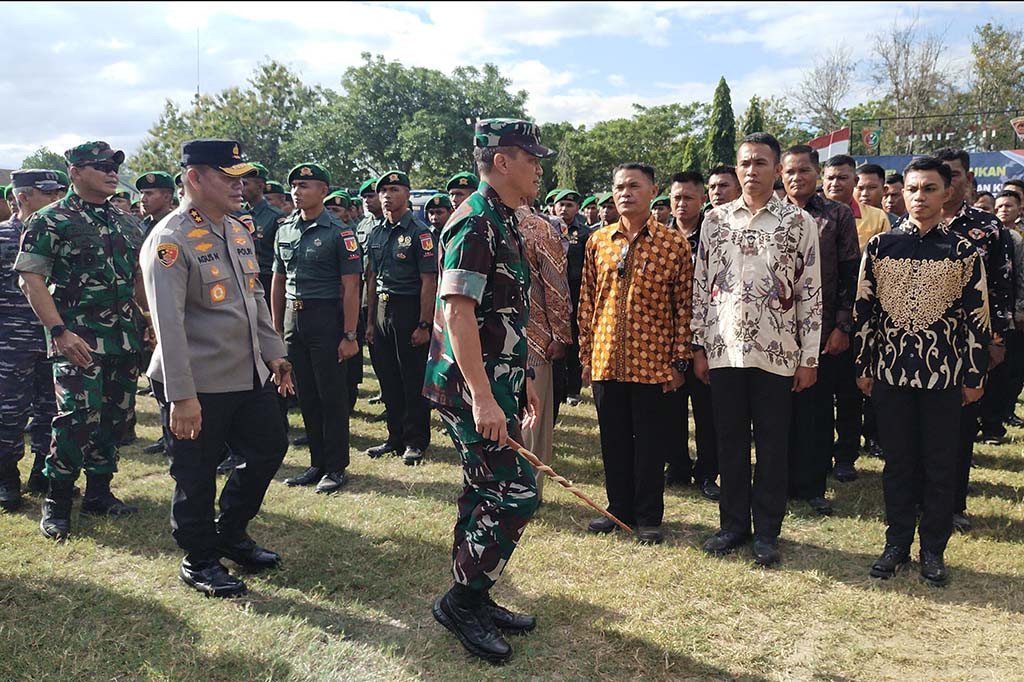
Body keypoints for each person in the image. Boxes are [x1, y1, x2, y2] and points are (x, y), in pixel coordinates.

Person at [142, 139, 294, 598]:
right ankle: (199, 559)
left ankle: (230, 531)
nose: (239, 185)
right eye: (228, 177)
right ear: (195, 178)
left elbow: (253, 301)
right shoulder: (170, 240)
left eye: (241, 176)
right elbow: (168, 325)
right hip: (195, 379)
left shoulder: (236, 229)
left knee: (269, 447)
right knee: (196, 471)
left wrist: (275, 353)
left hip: (246, 372)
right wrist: (182, 397)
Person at [423, 118, 550, 665]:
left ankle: (474, 592)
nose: (539, 168)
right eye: (531, 158)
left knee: (487, 491)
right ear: (502, 160)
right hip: (466, 389)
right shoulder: (474, 222)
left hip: (492, 383)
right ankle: (463, 600)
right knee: (516, 492)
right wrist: (482, 395)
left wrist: (515, 384)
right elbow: (459, 313)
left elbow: (503, 317)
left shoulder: (504, 218)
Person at [855, 156, 990, 587]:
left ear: (946, 192)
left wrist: (974, 375)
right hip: (890, 375)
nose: (919, 197)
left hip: (944, 378)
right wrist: (863, 364)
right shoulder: (880, 247)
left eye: (929, 189)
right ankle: (896, 544)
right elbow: (865, 312)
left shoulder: (964, 251)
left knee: (939, 466)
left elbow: (978, 319)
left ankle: (933, 548)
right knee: (897, 464)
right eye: (913, 189)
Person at [692, 133, 822, 567]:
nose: (752, 171)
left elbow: (810, 292)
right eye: (745, 163)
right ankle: (732, 525)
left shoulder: (797, 222)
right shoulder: (714, 221)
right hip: (725, 350)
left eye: (761, 163)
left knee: (772, 445)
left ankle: (767, 531)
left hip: (779, 351)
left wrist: (809, 357)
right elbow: (700, 287)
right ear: (736, 166)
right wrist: (698, 344)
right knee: (728, 441)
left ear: (776, 168)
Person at [14, 141, 146, 540]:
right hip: (77, 340)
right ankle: (57, 501)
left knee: (114, 417)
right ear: (75, 172)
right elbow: (30, 279)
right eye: (101, 166)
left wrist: (150, 322)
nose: (111, 172)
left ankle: (99, 493)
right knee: (75, 420)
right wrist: (58, 331)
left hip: (123, 339)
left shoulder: (126, 222)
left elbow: (138, 279)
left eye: (113, 166)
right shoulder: (51, 219)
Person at [578, 162, 693, 546]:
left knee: (649, 442)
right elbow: (586, 303)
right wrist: (585, 356)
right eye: (619, 187)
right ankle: (617, 510)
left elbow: (684, 308)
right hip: (607, 359)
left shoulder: (673, 244)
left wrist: (679, 361)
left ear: (652, 190)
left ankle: (648, 517)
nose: (625, 193)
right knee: (613, 440)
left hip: (653, 363)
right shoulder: (599, 242)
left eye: (634, 186)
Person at [931, 147, 1013, 533]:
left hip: (968, 347)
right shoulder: (906, 227)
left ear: (965, 178)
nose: (947, 182)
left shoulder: (988, 228)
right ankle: (919, 501)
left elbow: (1001, 289)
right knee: (918, 430)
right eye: (940, 174)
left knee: (960, 428)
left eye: (954, 174)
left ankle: (952, 505)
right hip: (918, 349)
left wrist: (995, 341)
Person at [270, 163, 362, 494]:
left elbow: (351, 286)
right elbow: (278, 281)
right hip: (295, 321)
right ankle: (317, 462)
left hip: (327, 318)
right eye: (294, 185)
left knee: (331, 396)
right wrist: (276, 329)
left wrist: (350, 335)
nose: (297, 191)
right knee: (306, 393)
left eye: (305, 185)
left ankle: (336, 467)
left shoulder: (339, 232)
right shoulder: (285, 230)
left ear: (323, 191)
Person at [781, 145, 860, 516]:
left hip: (821, 330)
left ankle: (812, 485)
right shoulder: (772, 214)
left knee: (815, 411)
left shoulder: (837, 215)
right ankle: (777, 481)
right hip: (775, 330)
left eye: (804, 171)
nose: (797, 178)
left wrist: (843, 325)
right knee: (778, 412)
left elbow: (849, 273)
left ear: (817, 174)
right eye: (790, 172)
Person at [823, 154, 890, 478]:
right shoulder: (810, 216)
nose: (836, 183)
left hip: (858, 320)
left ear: (855, 183)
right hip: (818, 322)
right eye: (831, 177)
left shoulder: (876, 219)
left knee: (849, 393)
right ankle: (819, 454)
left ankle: (846, 455)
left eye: (843, 178)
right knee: (818, 395)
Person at [0, 170, 63, 511]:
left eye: (57, 193)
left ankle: (42, 470)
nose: (56, 199)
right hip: (11, 341)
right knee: (9, 410)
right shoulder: (3, 238)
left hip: (53, 340)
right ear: (23, 197)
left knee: (51, 410)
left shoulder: (59, 235)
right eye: (47, 194)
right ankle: (7, 476)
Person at [365, 170, 437, 465]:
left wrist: (424, 323)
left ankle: (415, 440)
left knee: (411, 378)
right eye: (383, 190)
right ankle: (394, 437)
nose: (387, 195)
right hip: (382, 309)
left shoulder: (420, 233)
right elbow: (371, 279)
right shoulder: (376, 232)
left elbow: (429, 281)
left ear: (407, 195)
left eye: (394, 189)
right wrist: (370, 322)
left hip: (409, 309)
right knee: (388, 377)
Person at [664, 171, 719, 500]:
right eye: (676, 198)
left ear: (702, 200)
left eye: (688, 197)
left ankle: (708, 471)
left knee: (707, 411)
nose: (681, 204)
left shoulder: (715, 237)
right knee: (670, 409)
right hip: (667, 340)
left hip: (706, 340)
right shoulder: (660, 238)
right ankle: (677, 465)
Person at [519, 196, 571, 502]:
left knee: (531, 419)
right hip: (514, 342)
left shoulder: (539, 229)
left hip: (534, 339)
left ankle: (526, 490)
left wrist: (559, 335)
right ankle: (520, 489)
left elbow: (555, 286)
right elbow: (557, 287)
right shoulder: (481, 220)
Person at [555, 189, 590, 409]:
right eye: (561, 204)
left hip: (577, 295)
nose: (564, 209)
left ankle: (573, 389)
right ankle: (558, 388)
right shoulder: (547, 229)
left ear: (577, 208)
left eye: (569, 205)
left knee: (575, 343)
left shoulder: (585, 234)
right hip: (554, 296)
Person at [136, 171, 176, 236]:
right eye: (141, 193)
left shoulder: (178, 226)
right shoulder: (142, 226)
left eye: (149, 193)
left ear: (167, 197)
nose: (143, 199)